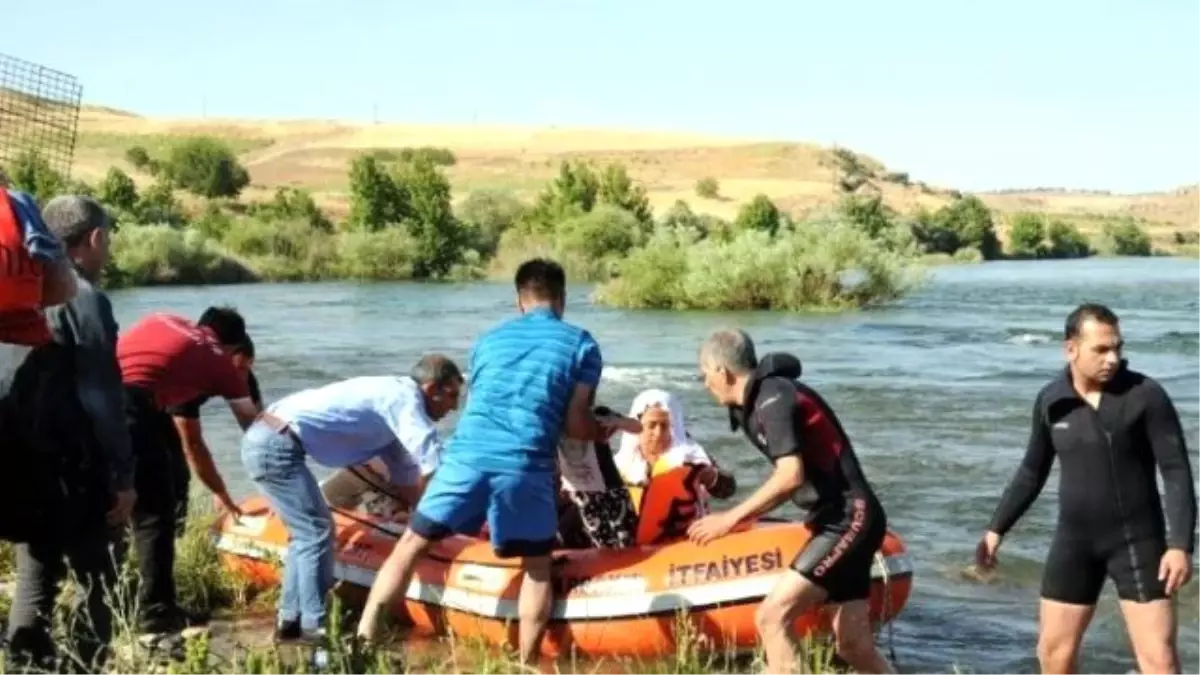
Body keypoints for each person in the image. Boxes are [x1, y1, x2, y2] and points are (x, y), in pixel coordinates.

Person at [355, 258, 616, 664]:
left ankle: (363, 641)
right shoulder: (582, 344)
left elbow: (480, 401)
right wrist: (604, 429)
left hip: (466, 458)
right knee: (537, 568)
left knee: (410, 545)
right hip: (524, 464)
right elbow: (576, 422)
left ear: (519, 301)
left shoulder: (488, 341)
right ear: (562, 299)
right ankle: (525, 663)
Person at [976, 303, 1195, 675]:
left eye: (1118, 348)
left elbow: (1176, 472)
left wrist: (1179, 546)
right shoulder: (1052, 400)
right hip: (1074, 544)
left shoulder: (1145, 395)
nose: (1112, 359)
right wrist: (996, 529)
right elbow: (1032, 470)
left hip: (1138, 544)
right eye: (1101, 350)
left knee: (1159, 661)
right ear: (1071, 349)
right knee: (1053, 655)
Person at [687, 329, 895, 675]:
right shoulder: (756, 400)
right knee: (853, 645)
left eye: (703, 375)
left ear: (721, 371)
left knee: (772, 617)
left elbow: (790, 476)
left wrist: (731, 518)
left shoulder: (773, 397)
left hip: (849, 518)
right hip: (837, 518)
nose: (705, 383)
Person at [243, 354, 463, 644]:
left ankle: (290, 623)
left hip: (271, 438)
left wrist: (422, 515)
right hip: (276, 444)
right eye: (451, 396)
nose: (454, 407)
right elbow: (432, 462)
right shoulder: (403, 400)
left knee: (306, 534)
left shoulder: (391, 407)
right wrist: (450, 518)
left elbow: (407, 475)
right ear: (431, 388)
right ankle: (314, 630)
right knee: (316, 533)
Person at [3, 195, 126, 672]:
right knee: (100, 576)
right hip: (74, 462)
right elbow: (102, 395)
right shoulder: (82, 295)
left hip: (18, 453)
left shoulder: (18, 287)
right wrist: (123, 474)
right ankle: (84, 665)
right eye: (108, 239)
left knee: (36, 572)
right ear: (93, 238)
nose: (108, 249)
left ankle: (23, 666)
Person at [115, 306, 261, 641]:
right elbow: (255, 431)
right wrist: (223, 494)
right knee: (154, 513)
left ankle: (118, 590)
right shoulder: (216, 360)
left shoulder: (169, 322)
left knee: (122, 495)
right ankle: (155, 614)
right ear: (233, 349)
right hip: (132, 403)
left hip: (94, 391)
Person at [164, 336, 262, 537]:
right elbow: (193, 445)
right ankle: (171, 541)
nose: (242, 377)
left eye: (247, 368)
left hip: (175, 408)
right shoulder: (190, 377)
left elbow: (259, 431)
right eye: (239, 369)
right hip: (152, 410)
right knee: (175, 476)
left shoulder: (243, 377)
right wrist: (220, 493)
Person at [615, 388, 737, 516]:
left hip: (687, 532)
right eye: (652, 425)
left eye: (664, 425)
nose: (658, 433)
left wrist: (710, 476)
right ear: (637, 426)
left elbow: (728, 490)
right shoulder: (621, 464)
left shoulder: (691, 456)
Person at [555, 405, 642, 550]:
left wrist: (617, 422)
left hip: (611, 493)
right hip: (578, 496)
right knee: (589, 544)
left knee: (625, 544)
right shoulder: (552, 421)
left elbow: (637, 427)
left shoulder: (597, 414)